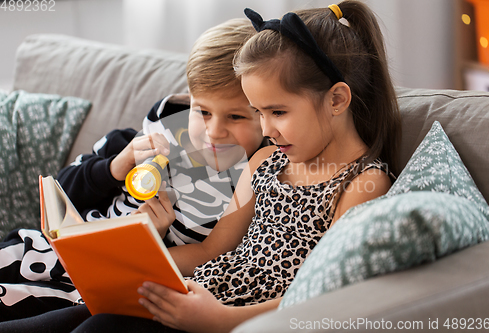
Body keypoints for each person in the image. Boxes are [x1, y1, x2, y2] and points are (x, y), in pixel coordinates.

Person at [66, 1, 402, 332]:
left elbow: (325, 291)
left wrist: (219, 320)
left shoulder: (362, 184)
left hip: (237, 317)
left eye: (278, 112)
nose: (267, 131)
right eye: (258, 113)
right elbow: (211, 250)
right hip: (203, 290)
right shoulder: (267, 160)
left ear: (337, 100)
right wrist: (130, 268)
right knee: (79, 316)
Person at [0, 17, 266, 325]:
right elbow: (60, 192)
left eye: (235, 116)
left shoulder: (255, 180)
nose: (214, 131)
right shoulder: (145, 141)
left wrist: (148, 240)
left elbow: (213, 258)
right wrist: (113, 168)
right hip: (44, 253)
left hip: (101, 287)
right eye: (202, 111)